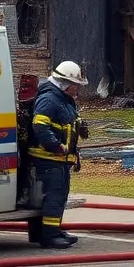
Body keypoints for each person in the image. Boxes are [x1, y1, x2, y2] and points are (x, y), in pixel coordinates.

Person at [28, 61, 89, 250]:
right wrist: (56, 146)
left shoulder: (63, 99)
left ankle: (54, 230)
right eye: (75, 85)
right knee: (54, 196)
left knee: (60, 195)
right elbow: (40, 125)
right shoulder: (49, 99)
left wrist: (81, 126)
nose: (77, 88)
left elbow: (67, 119)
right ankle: (50, 236)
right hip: (49, 158)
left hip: (59, 159)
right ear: (64, 83)